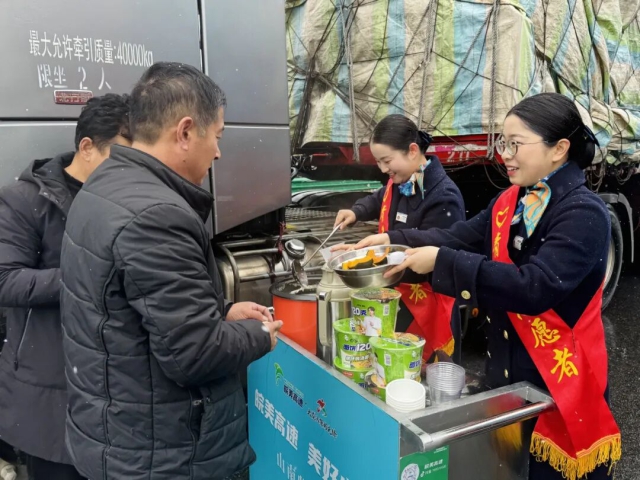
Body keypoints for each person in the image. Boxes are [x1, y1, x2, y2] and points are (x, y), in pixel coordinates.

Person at [355, 93, 621, 479]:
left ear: (559, 149)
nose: (504, 155)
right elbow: (459, 236)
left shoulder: (583, 212)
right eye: (503, 143)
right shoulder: (510, 200)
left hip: (557, 382)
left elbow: (534, 287)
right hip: (508, 378)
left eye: (515, 144)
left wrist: (443, 262)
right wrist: (392, 243)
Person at [59, 62, 282, 480]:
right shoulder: (156, 215)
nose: (218, 153)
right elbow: (195, 354)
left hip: (119, 434)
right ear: (185, 132)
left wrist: (222, 311)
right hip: (165, 455)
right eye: (217, 137)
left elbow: (140, 308)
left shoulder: (104, 187)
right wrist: (259, 335)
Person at [0, 94, 132, 480]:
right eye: (120, 159)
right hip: (51, 385)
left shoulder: (125, 200)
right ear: (86, 147)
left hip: (117, 383)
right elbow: (6, 280)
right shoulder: (25, 200)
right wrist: (89, 275)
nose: (128, 172)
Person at [333, 114, 465, 362]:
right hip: (396, 296)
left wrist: (388, 239)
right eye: (378, 162)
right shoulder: (401, 180)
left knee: (420, 372)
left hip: (428, 306)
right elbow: (379, 198)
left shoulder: (443, 195)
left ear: (412, 151)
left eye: (387, 161)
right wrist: (356, 212)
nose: (383, 169)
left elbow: (439, 242)